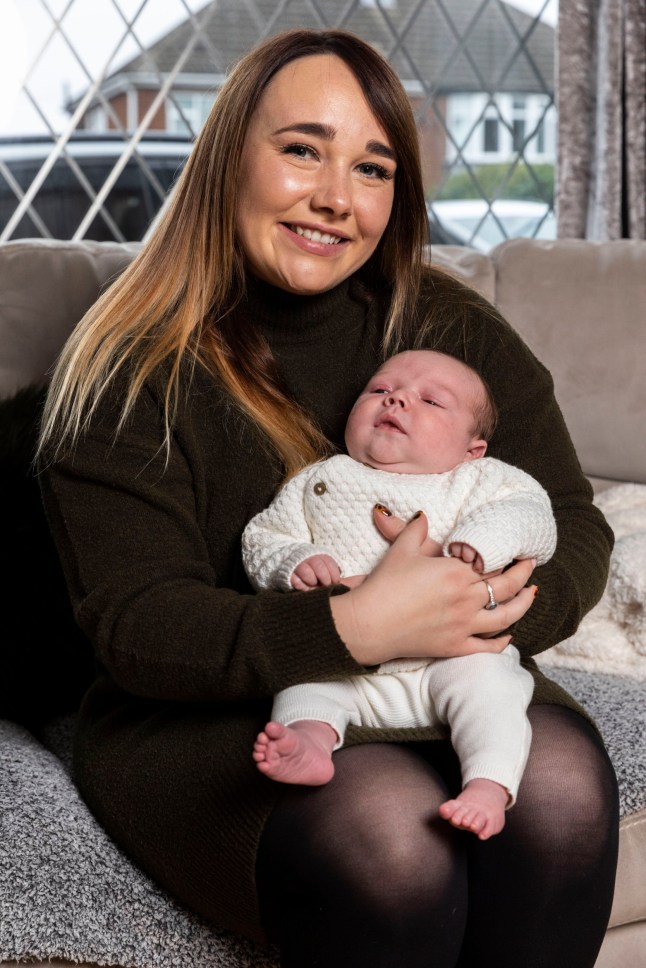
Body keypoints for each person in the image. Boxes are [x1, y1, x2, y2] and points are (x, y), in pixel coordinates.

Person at [38, 27, 619, 968]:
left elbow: (568, 512)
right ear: (229, 156)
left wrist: (515, 604)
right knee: (391, 841)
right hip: (205, 709)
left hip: (444, 671)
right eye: (302, 149)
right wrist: (354, 626)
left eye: (374, 168)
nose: (336, 199)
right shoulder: (126, 367)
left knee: (560, 791)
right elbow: (138, 624)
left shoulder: (445, 327)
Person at [246, 348, 557, 840]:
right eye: (380, 391)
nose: (397, 402)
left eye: (431, 401)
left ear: (472, 448)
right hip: (347, 654)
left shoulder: (481, 479)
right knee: (303, 678)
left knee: (492, 687)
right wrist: (294, 562)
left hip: (452, 654)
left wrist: (482, 542)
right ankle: (309, 743)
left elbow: (533, 517)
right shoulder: (319, 480)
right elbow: (264, 536)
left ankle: (488, 785)